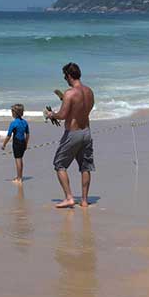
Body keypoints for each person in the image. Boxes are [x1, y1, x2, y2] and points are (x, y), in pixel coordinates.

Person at [45, 62, 95, 209]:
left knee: (59, 164)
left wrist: (50, 114)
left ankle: (69, 198)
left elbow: (62, 115)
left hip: (73, 134)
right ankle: (84, 201)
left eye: (64, 77)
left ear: (68, 76)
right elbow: (84, 110)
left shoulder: (70, 93)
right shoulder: (89, 91)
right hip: (86, 131)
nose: (65, 80)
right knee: (85, 167)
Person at [1, 104, 30, 184]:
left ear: (15, 113)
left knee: (18, 160)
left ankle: (19, 178)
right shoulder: (25, 122)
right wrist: (26, 144)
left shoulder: (13, 123)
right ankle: (20, 176)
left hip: (17, 143)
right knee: (20, 159)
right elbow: (27, 134)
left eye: (12, 112)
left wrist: (4, 144)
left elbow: (9, 136)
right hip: (23, 142)